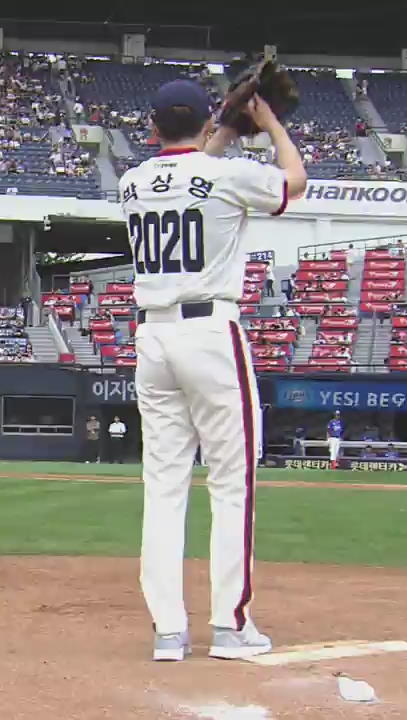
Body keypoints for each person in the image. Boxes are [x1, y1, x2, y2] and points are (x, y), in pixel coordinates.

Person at [121, 80, 306, 662]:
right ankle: (229, 626)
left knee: (164, 487)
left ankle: (168, 631)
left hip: (152, 336)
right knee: (232, 483)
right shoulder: (224, 174)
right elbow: (292, 183)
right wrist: (269, 122)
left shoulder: (131, 182)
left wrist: (222, 126)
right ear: (203, 124)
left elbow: (191, 170)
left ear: (153, 128)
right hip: (210, 332)